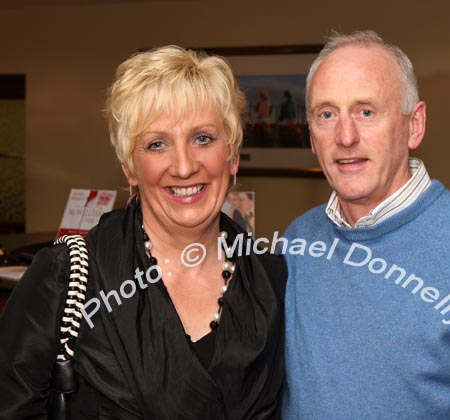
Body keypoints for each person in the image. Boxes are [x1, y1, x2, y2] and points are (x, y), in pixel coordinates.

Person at [0, 46, 286, 419]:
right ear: (129, 169)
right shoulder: (66, 276)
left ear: (232, 156)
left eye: (202, 138)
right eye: (157, 144)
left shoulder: (274, 280)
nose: (184, 167)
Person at [281, 30, 450, 419]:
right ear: (311, 136)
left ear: (415, 125)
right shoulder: (295, 245)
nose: (345, 135)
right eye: (326, 114)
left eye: (366, 111)